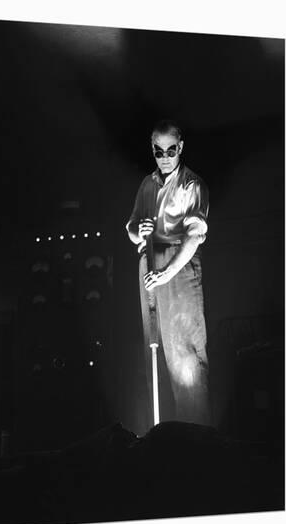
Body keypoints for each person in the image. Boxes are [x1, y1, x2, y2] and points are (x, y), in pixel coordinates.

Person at [126, 120, 211, 426]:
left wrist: (167, 272)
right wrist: (141, 231)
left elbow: (193, 238)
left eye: (171, 149)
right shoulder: (148, 184)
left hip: (179, 266)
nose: (164, 156)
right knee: (154, 346)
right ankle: (160, 429)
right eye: (158, 150)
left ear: (181, 148)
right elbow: (133, 227)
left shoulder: (193, 185)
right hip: (149, 265)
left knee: (185, 353)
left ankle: (196, 430)